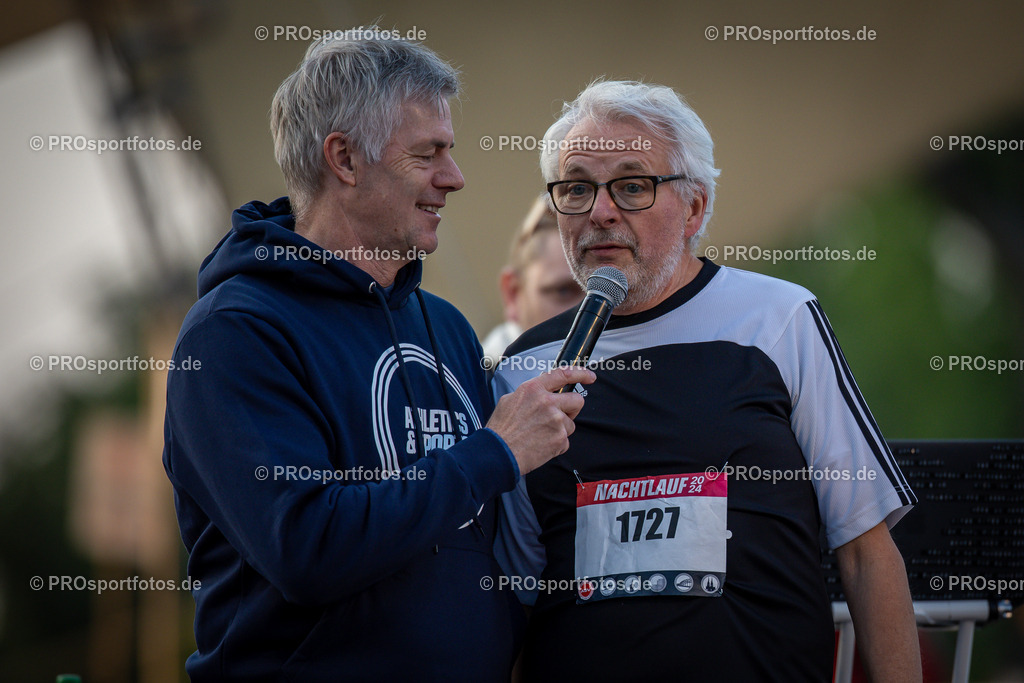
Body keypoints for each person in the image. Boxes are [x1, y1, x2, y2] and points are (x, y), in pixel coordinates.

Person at [161, 35, 594, 682]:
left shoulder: (445, 327)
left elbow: (490, 542)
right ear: (344, 158)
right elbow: (306, 545)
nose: (455, 177)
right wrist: (494, 451)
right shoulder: (234, 333)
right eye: (429, 153)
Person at [494, 80, 922, 682]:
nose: (600, 211)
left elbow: (865, 553)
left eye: (633, 184)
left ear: (694, 207)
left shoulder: (777, 321)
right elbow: (513, 589)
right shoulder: (524, 368)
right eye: (576, 188)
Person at [481, 195, 583, 366]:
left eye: (613, 294)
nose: (594, 310)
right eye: (564, 291)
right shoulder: (476, 385)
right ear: (512, 294)